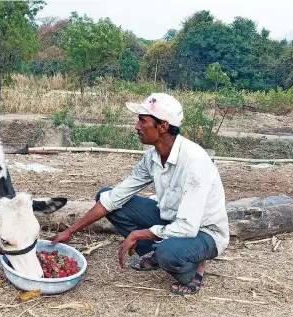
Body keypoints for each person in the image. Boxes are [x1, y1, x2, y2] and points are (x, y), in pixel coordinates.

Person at [50, 93, 229, 295]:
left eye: (143, 121)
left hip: (203, 232)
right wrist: (71, 231)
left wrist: (140, 233)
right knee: (106, 196)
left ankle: (194, 268)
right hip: (171, 220)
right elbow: (115, 197)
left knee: (167, 252)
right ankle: (158, 250)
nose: (137, 126)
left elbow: (188, 226)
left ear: (162, 126)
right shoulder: (152, 156)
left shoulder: (194, 162)